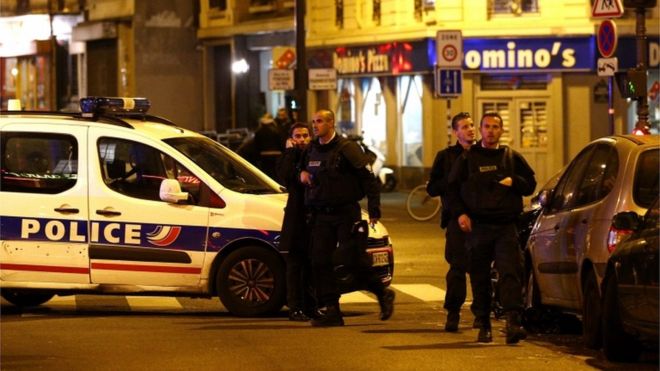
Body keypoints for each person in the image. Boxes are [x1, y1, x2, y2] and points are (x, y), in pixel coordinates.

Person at [299, 109, 395, 327]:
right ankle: (331, 309)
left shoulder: (347, 148)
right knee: (320, 261)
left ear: (331, 123)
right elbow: (300, 170)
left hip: (345, 213)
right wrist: (301, 174)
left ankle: (382, 293)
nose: (315, 126)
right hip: (322, 215)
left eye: (320, 121)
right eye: (313, 121)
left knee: (351, 260)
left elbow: (368, 178)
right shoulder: (311, 149)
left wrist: (374, 208)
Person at [447, 112, 536, 344]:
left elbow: (530, 186)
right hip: (479, 227)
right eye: (487, 126)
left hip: (506, 226)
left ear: (502, 130)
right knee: (479, 276)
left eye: (495, 127)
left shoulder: (511, 157)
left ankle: (513, 322)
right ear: (481, 129)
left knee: (510, 273)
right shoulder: (468, 159)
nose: (490, 131)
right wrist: (461, 214)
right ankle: (484, 323)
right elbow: (452, 190)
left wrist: (513, 182)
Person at [426, 112, 476, 332]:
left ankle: (481, 312)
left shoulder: (483, 154)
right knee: (457, 267)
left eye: (472, 125)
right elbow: (432, 187)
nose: (470, 129)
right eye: (465, 126)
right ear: (456, 132)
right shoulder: (446, 156)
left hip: (482, 220)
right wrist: (451, 181)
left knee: (480, 268)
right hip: (456, 219)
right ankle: (453, 312)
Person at [276, 122, 314, 321]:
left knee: (312, 265)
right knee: (294, 265)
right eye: (297, 136)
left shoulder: (315, 154)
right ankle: (295, 307)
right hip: (296, 217)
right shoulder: (288, 157)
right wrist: (289, 153)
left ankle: (311, 306)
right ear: (291, 139)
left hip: (313, 217)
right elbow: (285, 176)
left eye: (305, 135)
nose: (302, 139)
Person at [253, 113, 284, 180]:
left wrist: (257, 158)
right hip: (276, 156)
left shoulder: (259, 132)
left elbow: (256, 146)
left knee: (267, 177)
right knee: (276, 176)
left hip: (264, 157)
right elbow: (281, 144)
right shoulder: (277, 130)